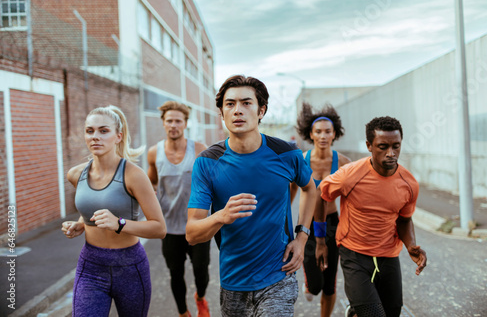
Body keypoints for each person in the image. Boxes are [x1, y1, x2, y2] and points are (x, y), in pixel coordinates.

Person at [185, 75, 317, 317]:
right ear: (221, 113)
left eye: (246, 103)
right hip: (233, 280)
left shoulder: (286, 154)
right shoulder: (207, 162)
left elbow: (310, 189)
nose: (238, 110)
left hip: (279, 275)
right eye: (230, 104)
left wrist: (302, 237)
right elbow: (192, 234)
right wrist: (221, 216)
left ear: (261, 111)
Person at [61, 105, 167, 317]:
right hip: (91, 266)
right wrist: (80, 223)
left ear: (118, 136)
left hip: (130, 267)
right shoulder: (75, 174)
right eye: (89, 131)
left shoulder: (134, 175)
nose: (95, 137)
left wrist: (119, 223)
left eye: (103, 131)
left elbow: (159, 228)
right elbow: (91, 206)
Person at [318, 116, 427, 317]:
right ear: (369, 145)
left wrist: (411, 244)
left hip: (388, 257)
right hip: (354, 255)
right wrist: (320, 240)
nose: (391, 153)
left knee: (392, 313)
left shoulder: (409, 184)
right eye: (383, 147)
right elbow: (321, 194)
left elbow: (404, 219)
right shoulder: (350, 175)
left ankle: (356, 313)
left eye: (396, 146)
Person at [147, 101, 210, 317]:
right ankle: (183, 313)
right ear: (163, 124)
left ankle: (200, 297)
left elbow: (213, 179)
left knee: (201, 272)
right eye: (169, 121)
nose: (173, 125)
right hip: (170, 227)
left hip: (198, 224)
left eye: (178, 121)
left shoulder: (199, 149)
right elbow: (151, 183)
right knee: (176, 273)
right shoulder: (154, 153)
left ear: (185, 124)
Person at [290, 102, 351, 317]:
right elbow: (290, 193)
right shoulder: (301, 160)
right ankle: (310, 283)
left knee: (330, 282)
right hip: (307, 224)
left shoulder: (343, 163)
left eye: (328, 132)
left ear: (335, 134)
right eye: (319, 132)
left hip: (333, 224)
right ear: (311, 134)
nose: (323, 136)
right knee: (315, 283)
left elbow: (351, 198)